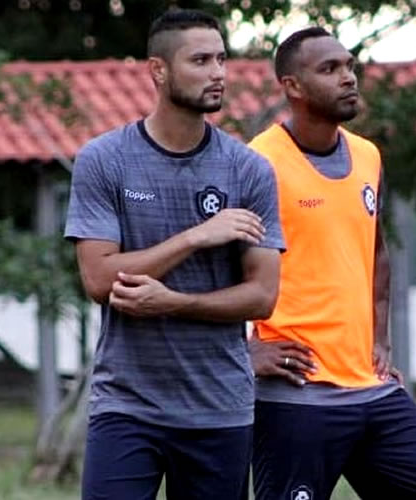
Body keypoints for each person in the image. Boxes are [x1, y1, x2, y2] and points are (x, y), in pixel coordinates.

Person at [63, 8, 284, 500]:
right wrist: (195, 237)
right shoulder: (105, 160)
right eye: (200, 61)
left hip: (219, 408)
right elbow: (100, 280)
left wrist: (174, 302)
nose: (218, 73)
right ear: (158, 71)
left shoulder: (248, 170)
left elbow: (262, 296)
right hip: (127, 406)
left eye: (221, 59)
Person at [247, 27, 416, 500]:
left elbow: (376, 251)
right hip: (298, 392)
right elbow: (214, 264)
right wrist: (243, 351)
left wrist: (380, 338)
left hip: (371, 387)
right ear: (292, 86)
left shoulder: (368, 155)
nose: (348, 77)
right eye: (329, 69)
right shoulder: (257, 163)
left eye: (349, 66)